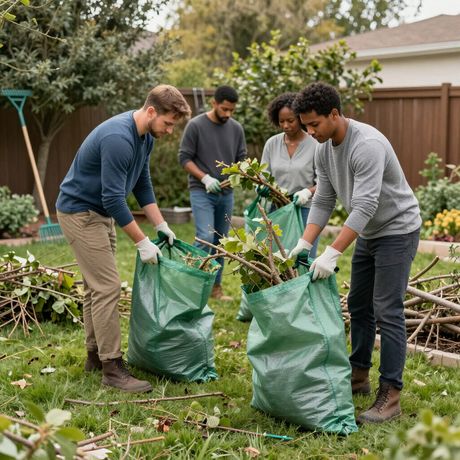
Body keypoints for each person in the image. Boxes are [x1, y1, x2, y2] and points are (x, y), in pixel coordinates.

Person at [289, 82, 421, 423]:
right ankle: (358, 374)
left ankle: (390, 394)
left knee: (387, 308)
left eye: (315, 124)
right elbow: (323, 199)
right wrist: (305, 243)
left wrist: (332, 252)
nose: (310, 131)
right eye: (305, 125)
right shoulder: (323, 149)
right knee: (360, 305)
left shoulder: (368, 145)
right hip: (370, 232)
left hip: (397, 229)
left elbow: (365, 205)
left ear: (335, 114)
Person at [56, 85, 191, 393]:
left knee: (95, 287)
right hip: (80, 212)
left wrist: (160, 225)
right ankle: (112, 368)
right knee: (107, 288)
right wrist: (142, 242)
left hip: (97, 212)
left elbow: (142, 184)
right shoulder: (119, 138)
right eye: (168, 123)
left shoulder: (144, 137)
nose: (170, 130)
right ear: (152, 111)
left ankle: (94, 356)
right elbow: (115, 198)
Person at [178, 85, 247, 300]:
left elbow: (242, 159)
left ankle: (215, 289)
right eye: (224, 109)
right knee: (205, 237)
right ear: (214, 103)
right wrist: (205, 178)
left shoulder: (236, 129)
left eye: (231, 111)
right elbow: (184, 158)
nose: (228, 114)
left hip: (225, 194)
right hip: (202, 191)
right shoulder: (196, 126)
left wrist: (238, 173)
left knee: (221, 241)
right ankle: (191, 286)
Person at [261, 92, 320, 258]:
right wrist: (262, 187)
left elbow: (325, 181)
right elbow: (264, 175)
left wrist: (308, 192)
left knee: (303, 257)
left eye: (290, 120)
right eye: (281, 121)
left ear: (301, 118)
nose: (286, 125)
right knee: (278, 258)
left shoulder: (316, 144)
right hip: (278, 210)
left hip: (305, 210)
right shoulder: (272, 144)